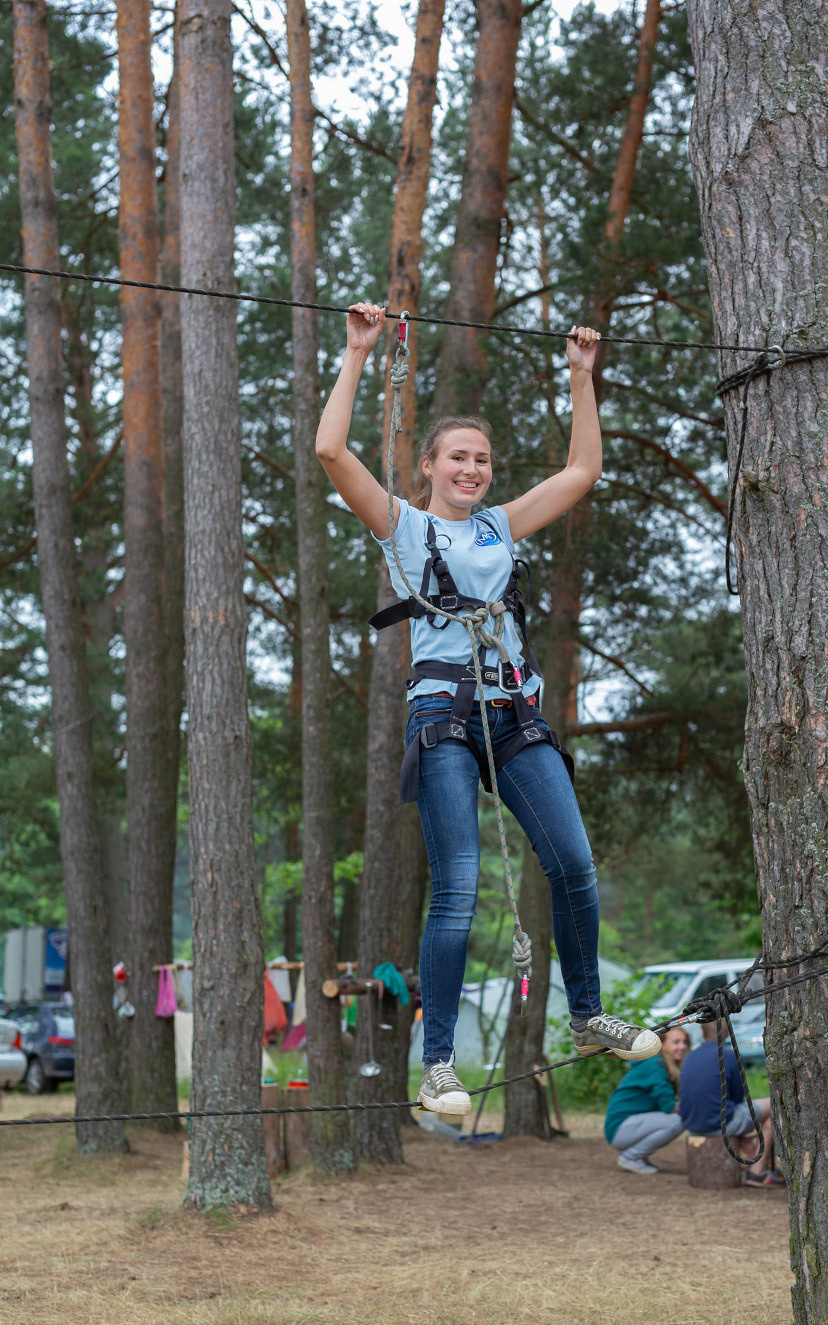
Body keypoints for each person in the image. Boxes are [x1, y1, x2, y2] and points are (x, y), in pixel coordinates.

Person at [315, 301, 662, 1117]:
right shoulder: (403, 528)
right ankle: (437, 1065)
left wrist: (581, 378)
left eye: (482, 460)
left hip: (512, 716)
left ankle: (585, 1016)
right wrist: (357, 353)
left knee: (573, 864)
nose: (472, 470)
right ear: (429, 467)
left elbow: (581, 474)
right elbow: (332, 449)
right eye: (458, 459)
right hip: (443, 720)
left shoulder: (502, 528)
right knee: (459, 888)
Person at [678, 1018, 783, 1186]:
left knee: (732, 1111)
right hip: (718, 1125)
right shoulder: (729, 1054)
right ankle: (757, 1171)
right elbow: (738, 1096)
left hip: (692, 1124)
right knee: (775, 1104)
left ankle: (748, 1146)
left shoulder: (690, 1056)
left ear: (702, 1033)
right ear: (727, 1034)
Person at [605, 1025, 691, 1175]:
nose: (682, 1047)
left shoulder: (662, 1065)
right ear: (662, 1044)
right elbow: (669, 1107)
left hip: (627, 1125)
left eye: (684, 1042)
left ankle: (639, 1157)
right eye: (676, 1042)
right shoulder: (655, 1066)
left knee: (681, 1115)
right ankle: (630, 1157)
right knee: (681, 1118)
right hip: (620, 1128)